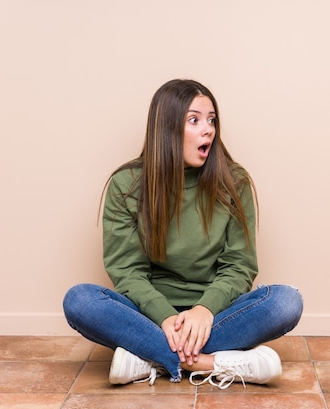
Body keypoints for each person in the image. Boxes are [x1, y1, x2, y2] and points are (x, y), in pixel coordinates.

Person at [63, 79, 303, 388]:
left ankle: (151, 357)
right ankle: (214, 363)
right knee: (80, 300)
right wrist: (164, 317)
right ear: (167, 128)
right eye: (194, 120)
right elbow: (127, 271)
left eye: (212, 120)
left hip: (216, 315)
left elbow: (239, 266)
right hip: (148, 315)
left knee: (286, 302)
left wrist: (203, 310)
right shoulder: (127, 185)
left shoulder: (234, 181)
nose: (208, 130)